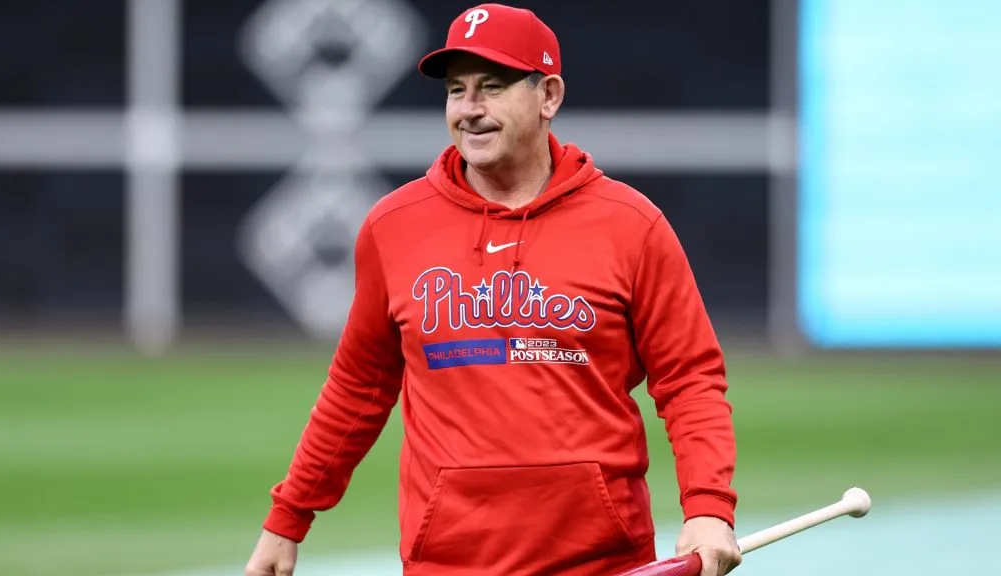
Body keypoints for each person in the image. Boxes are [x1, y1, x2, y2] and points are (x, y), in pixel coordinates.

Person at [244, 3, 741, 575]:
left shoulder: (632, 224)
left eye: (494, 87)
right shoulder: (393, 226)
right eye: (457, 91)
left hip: (601, 562)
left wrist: (707, 508)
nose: (470, 110)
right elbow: (357, 389)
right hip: (449, 563)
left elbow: (690, 380)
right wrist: (287, 520)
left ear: (548, 96)